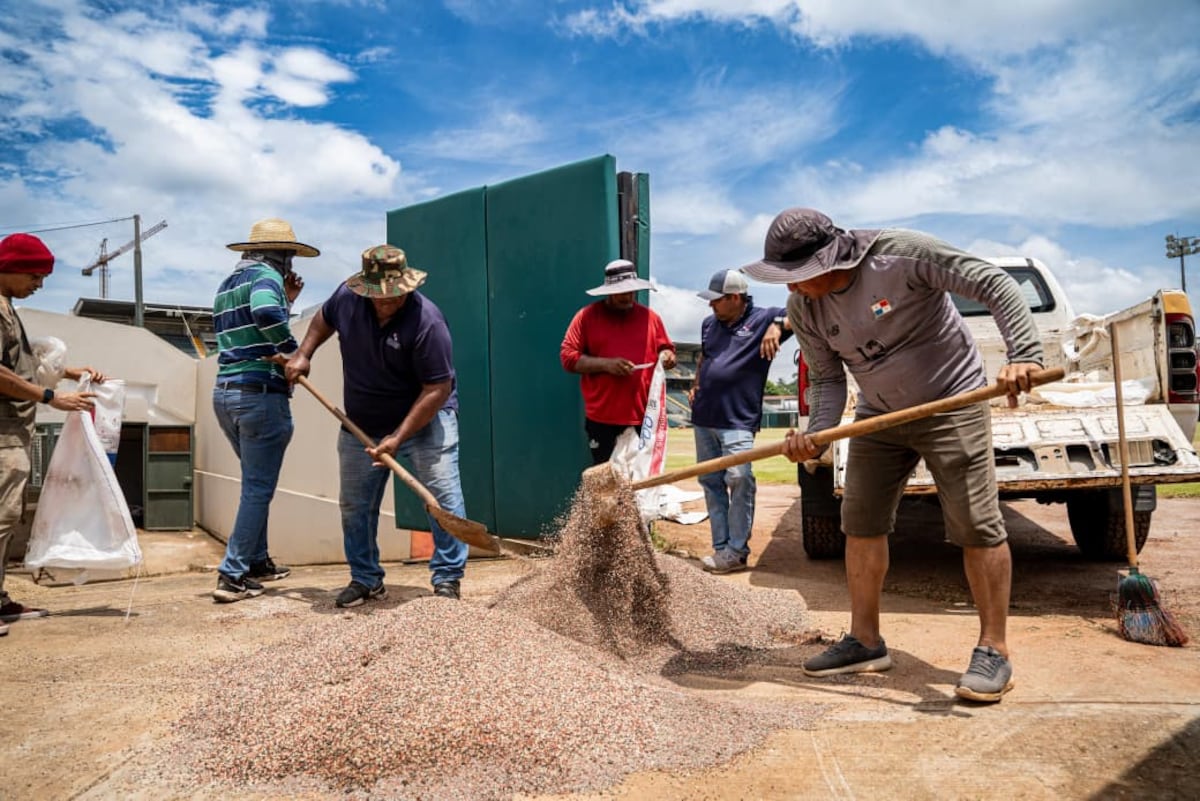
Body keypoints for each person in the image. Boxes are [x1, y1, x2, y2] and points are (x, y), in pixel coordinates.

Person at [742, 207, 1043, 703]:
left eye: (797, 277)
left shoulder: (903, 254)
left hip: (952, 403)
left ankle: (994, 650)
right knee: (859, 521)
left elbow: (993, 283)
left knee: (976, 524)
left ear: (828, 258)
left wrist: (1024, 354)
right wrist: (816, 434)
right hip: (879, 415)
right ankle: (865, 641)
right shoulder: (804, 310)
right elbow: (827, 378)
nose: (790, 289)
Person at [285, 245, 469, 605]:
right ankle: (366, 578)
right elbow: (323, 319)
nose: (386, 302)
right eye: (379, 296)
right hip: (362, 422)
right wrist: (304, 353)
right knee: (355, 504)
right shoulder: (346, 298)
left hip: (425, 418)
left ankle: (447, 579)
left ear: (406, 287)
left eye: (394, 296)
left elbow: (438, 388)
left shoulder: (427, 322)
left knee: (442, 498)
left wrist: (399, 437)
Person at [0, 233, 108, 635]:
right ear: (8, 266)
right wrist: (50, 396)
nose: (39, 283)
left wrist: (70, 370)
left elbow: (20, 364)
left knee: (8, 515)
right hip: (2, 432)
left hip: (13, 429)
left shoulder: (8, 308)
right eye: (34, 274)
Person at [210, 218, 313, 603]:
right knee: (258, 487)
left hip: (225, 392)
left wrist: (286, 302)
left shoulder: (226, 286)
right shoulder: (266, 277)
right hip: (259, 394)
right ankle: (232, 573)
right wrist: (292, 353)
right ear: (277, 254)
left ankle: (256, 561)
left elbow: (249, 330)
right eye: (288, 254)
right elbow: (267, 316)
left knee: (254, 482)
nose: (290, 262)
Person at [690, 268, 791, 574]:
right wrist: (696, 384)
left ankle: (736, 550)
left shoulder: (763, 318)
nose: (711, 306)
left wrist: (777, 327)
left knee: (740, 478)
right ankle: (720, 548)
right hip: (704, 418)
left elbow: (803, 310)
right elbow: (705, 357)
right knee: (711, 482)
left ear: (735, 297)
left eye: (716, 300)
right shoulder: (710, 324)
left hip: (737, 420)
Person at [560, 259, 677, 464]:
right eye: (621, 291)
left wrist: (667, 356)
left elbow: (666, 348)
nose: (627, 296)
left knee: (642, 483)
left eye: (631, 290)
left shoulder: (651, 318)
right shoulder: (586, 317)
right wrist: (606, 364)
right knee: (607, 485)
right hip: (603, 418)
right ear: (608, 291)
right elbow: (568, 358)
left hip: (645, 417)